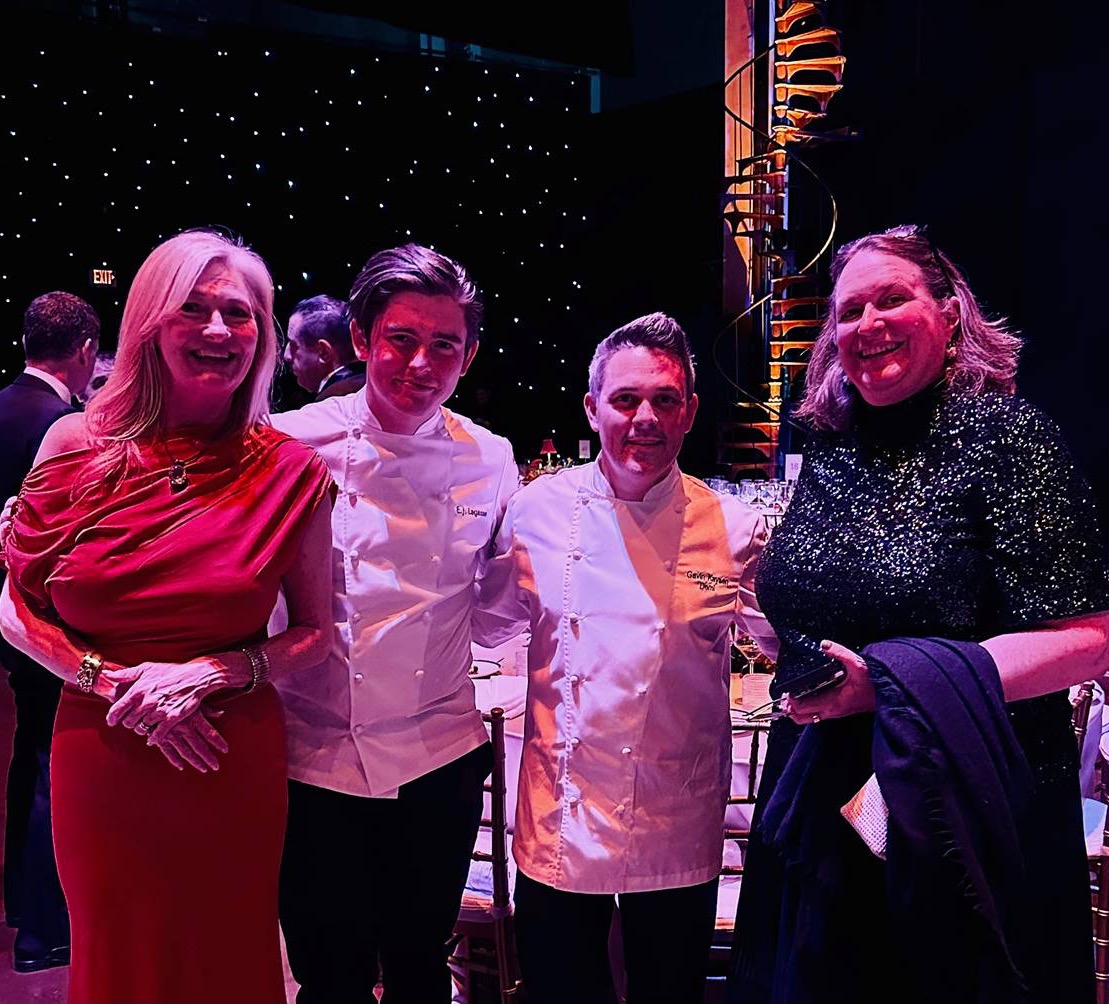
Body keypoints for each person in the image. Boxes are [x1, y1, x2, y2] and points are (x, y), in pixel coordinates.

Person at [728, 225, 1109, 1004]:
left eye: (890, 298)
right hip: (825, 790)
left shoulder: (1006, 438)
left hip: (957, 804)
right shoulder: (831, 448)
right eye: (848, 310)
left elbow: (1086, 642)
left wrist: (893, 684)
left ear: (948, 311)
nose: (866, 324)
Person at [0, 230, 335, 1004]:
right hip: (102, 750)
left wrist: (211, 673)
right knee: (118, 953)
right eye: (194, 309)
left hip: (226, 751)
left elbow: (315, 632)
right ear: (149, 321)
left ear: (264, 334)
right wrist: (117, 684)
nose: (219, 331)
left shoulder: (290, 469)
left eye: (239, 314)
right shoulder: (75, 443)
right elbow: (16, 603)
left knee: (226, 953)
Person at [473, 313, 777, 1004]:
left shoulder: (732, 527)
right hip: (560, 819)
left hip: (678, 817)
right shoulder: (534, 511)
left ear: (691, 411)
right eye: (625, 400)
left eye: (665, 400)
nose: (645, 418)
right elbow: (485, 623)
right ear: (591, 408)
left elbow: (785, 647)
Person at [270, 243, 518, 1003]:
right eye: (400, 339)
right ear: (361, 340)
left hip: (436, 756)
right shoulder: (290, 442)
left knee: (419, 971)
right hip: (314, 760)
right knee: (330, 976)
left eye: (443, 345)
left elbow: (496, 610)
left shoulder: (490, 457)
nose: (420, 363)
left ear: (468, 355)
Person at [0, 291, 99, 973]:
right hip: (39, 623)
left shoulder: (2, 405)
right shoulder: (66, 428)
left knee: (24, 760)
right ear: (88, 350)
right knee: (47, 765)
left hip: (3, 620)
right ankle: (43, 931)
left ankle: (18, 908)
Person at [282, 294, 366, 400]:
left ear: (324, 352)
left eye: (294, 345)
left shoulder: (328, 407)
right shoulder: (374, 387)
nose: (287, 355)